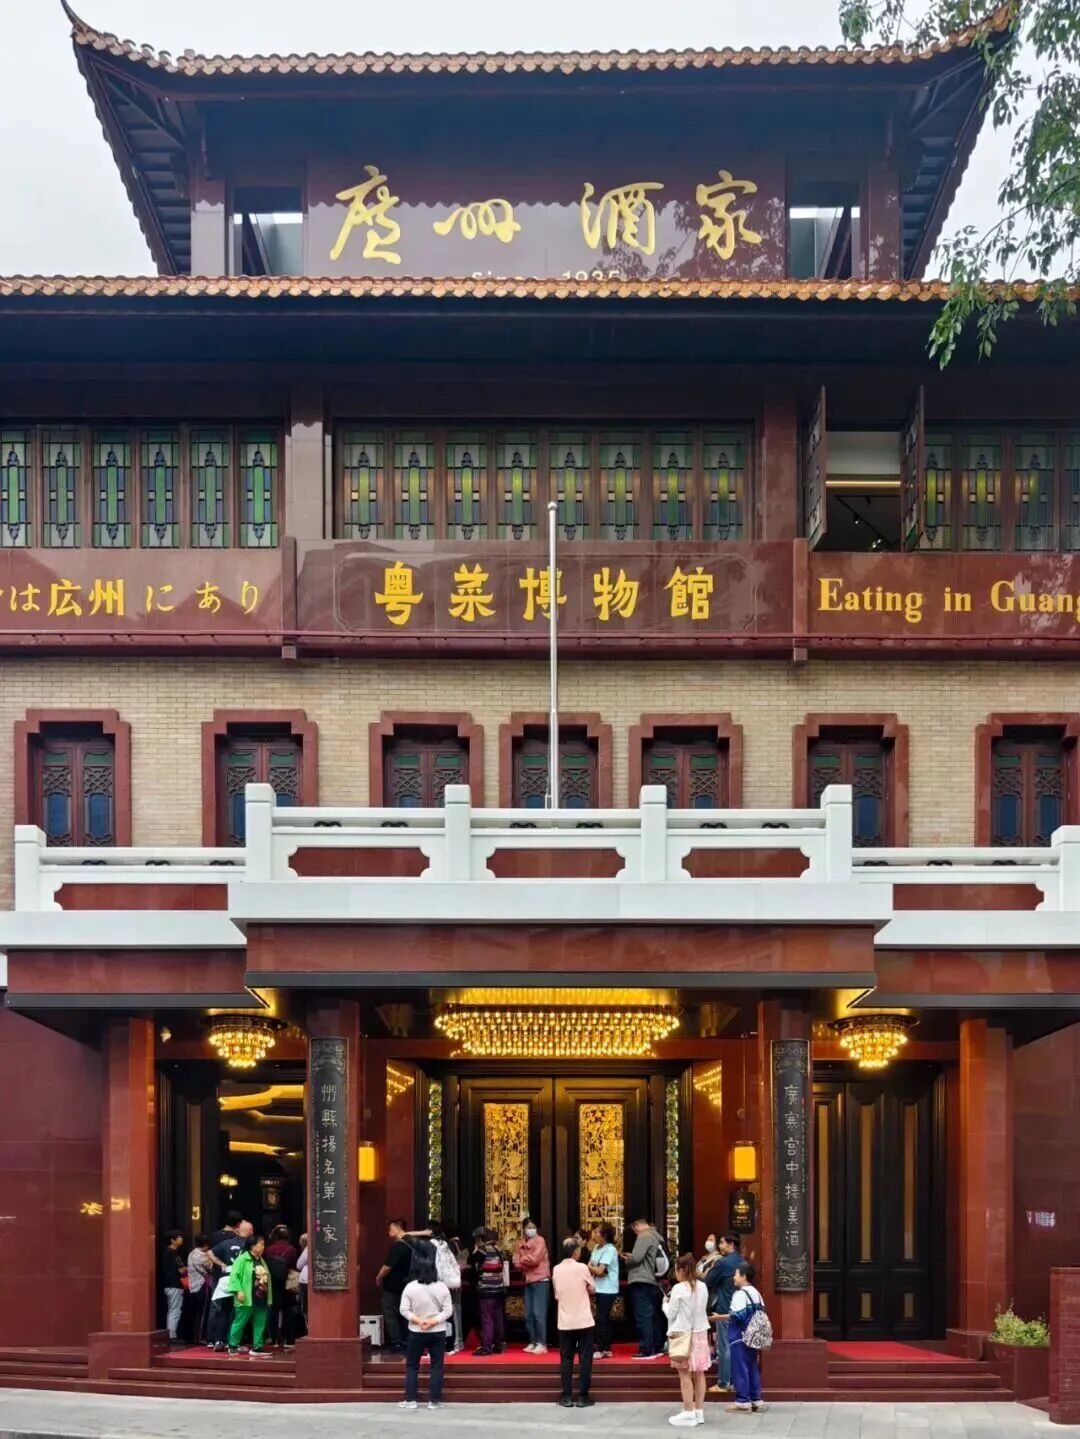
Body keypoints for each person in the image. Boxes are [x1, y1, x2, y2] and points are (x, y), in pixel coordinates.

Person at [399, 1244, 453, 1412]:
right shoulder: (442, 1287)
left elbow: (403, 1309)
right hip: (437, 1332)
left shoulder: (410, 1287)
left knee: (412, 1365)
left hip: (416, 1331)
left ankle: (411, 1399)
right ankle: (434, 1401)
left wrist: (419, 1321)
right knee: (436, 1365)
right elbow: (448, 1310)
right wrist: (433, 1322)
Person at [662, 1253, 711, 1427]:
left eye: (676, 1270)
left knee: (684, 1374)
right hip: (700, 1332)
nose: (676, 1274)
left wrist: (664, 1303)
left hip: (683, 1334)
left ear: (682, 1270)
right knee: (699, 1373)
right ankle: (699, 1411)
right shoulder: (703, 1286)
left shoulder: (678, 1288)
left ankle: (688, 1412)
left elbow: (671, 1313)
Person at [551, 1236, 595, 1409]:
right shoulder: (582, 1267)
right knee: (585, 1358)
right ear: (575, 1251)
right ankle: (583, 1396)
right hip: (583, 1320)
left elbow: (557, 1294)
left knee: (566, 1358)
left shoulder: (556, 1269)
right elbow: (592, 1288)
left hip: (565, 1321)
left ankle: (567, 1395)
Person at [207, 1218, 253, 1352]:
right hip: (241, 1280)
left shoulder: (227, 1242)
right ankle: (233, 1342)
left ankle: (218, 1340)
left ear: (238, 1230)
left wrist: (221, 1264)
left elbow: (210, 1253)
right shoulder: (250, 1244)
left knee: (223, 1311)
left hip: (226, 1278)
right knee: (239, 1312)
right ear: (250, 1232)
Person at [622, 1217, 665, 1360]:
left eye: (635, 1230)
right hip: (652, 1280)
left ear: (637, 1226)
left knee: (643, 1316)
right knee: (653, 1316)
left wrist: (627, 1259)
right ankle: (657, 1346)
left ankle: (646, 1349)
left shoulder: (644, 1235)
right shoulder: (657, 1236)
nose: (635, 1233)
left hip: (641, 1279)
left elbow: (636, 1258)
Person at [727, 1263, 767, 1414]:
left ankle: (743, 1401)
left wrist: (719, 1317)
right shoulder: (756, 1293)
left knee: (740, 1368)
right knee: (752, 1367)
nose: (734, 1277)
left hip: (740, 1336)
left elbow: (737, 1315)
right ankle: (756, 1399)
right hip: (753, 1337)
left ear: (743, 1276)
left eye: (736, 1274)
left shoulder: (740, 1294)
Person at [706, 1233, 742, 1395]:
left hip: (724, 1308)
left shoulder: (722, 1262)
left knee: (724, 1346)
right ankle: (735, 1381)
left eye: (722, 1243)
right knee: (736, 1346)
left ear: (731, 1244)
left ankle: (723, 1383)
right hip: (740, 1310)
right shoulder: (743, 1261)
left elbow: (707, 1281)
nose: (720, 1246)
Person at [227, 1234, 273, 1358]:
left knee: (260, 1322)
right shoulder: (242, 1259)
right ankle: (232, 1345)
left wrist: (268, 1296)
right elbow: (234, 1276)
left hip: (261, 1296)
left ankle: (258, 1346)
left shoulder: (261, 1260)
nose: (263, 1247)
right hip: (246, 1296)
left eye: (263, 1244)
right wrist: (238, 1290)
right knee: (240, 1321)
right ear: (252, 1246)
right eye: (260, 1244)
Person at [376, 1219, 416, 1355]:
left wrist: (379, 1276)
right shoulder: (412, 1244)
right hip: (408, 1284)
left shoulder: (398, 1246)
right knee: (405, 1312)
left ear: (396, 1228)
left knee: (390, 1312)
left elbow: (387, 1266)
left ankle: (396, 1341)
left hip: (393, 1286)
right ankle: (407, 1339)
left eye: (390, 1229)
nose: (389, 1233)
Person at [513, 1216, 551, 1354]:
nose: (531, 1230)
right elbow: (515, 1261)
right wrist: (522, 1261)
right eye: (528, 1227)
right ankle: (533, 1341)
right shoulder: (519, 1243)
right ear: (523, 1229)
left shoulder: (540, 1241)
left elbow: (535, 1259)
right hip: (528, 1280)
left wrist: (521, 1260)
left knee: (538, 1313)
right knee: (528, 1314)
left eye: (533, 1227)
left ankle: (542, 1343)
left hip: (540, 1280)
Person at [470, 1227, 508, 1356]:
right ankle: (499, 1344)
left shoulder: (483, 1250)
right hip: (499, 1288)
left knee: (487, 1318)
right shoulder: (499, 1250)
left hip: (487, 1289)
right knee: (498, 1317)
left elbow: (472, 1260)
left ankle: (487, 1346)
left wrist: (475, 1249)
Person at [264, 1223, 299, 1350]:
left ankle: (273, 1338)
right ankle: (289, 1339)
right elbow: (294, 1266)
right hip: (287, 1282)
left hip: (273, 1282)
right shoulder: (292, 1249)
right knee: (288, 1310)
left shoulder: (269, 1249)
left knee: (273, 1310)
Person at [587, 1222, 620, 1359]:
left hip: (608, 1289)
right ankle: (606, 1348)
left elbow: (600, 1270)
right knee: (602, 1318)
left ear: (605, 1235)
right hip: (598, 1287)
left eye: (597, 1232)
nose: (594, 1234)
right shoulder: (596, 1247)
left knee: (601, 1318)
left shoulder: (610, 1249)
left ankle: (601, 1348)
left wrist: (590, 1267)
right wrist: (592, 1267)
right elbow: (594, 1267)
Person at [185, 1234, 215, 1344]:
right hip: (201, 1286)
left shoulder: (192, 1253)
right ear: (206, 1245)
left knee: (194, 1313)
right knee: (202, 1313)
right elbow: (211, 1268)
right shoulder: (203, 1255)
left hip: (192, 1286)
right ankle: (200, 1337)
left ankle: (193, 1337)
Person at [160, 1229, 187, 1346]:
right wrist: (189, 1268)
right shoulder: (172, 1253)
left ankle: (171, 1334)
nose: (181, 1239)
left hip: (169, 1285)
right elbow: (182, 1270)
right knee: (175, 1310)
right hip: (174, 1284)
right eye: (179, 1237)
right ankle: (171, 1335)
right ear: (172, 1240)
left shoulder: (168, 1252)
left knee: (173, 1309)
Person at [296, 1234, 309, 1331]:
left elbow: (299, 1265)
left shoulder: (308, 1249)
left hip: (306, 1280)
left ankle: (308, 1328)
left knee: (306, 1306)